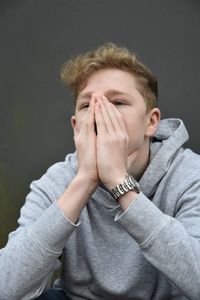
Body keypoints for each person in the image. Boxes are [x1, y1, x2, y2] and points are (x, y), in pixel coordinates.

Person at [0, 43, 200, 300]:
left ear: (151, 122)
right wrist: (84, 181)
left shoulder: (190, 173)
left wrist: (119, 183)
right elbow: (6, 288)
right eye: (87, 106)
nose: (99, 115)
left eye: (117, 102)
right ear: (76, 127)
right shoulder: (59, 179)